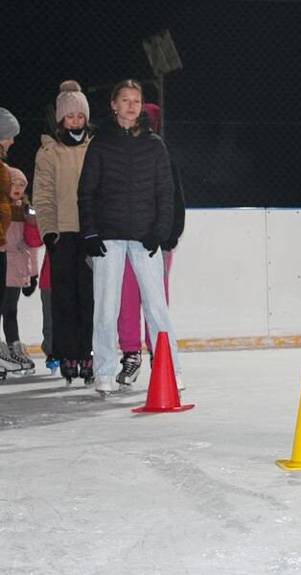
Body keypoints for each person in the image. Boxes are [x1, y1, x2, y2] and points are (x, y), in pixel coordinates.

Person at [77, 79, 181, 396]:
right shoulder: (101, 143)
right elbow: (86, 192)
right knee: (106, 307)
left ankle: (170, 370)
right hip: (108, 237)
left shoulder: (154, 145)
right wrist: (91, 232)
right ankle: (104, 372)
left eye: (136, 100)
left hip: (145, 237)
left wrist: (159, 233)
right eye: (125, 99)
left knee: (156, 307)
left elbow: (166, 193)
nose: (131, 105)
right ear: (113, 104)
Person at [115, 102, 186, 384]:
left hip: (156, 240)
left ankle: (162, 354)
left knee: (156, 302)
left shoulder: (162, 153)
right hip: (125, 238)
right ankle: (131, 353)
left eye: (146, 121)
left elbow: (174, 198)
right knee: (127, 298)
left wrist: (170, 235)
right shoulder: (120, 153)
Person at [33, 81, 95, 384]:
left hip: (91, 233)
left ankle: (87, 354)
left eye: (80, 116)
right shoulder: (49, 152)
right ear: (61, 119)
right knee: (64, 300)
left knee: (90, 297)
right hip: (62, 234)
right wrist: (49, 232)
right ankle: (68, 353)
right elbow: (42, 196)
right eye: (69, 116)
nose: (75, 121)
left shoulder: (95, 147)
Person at [0, 167, 39, 375]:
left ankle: (14, 346)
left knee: (11, 311)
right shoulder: (3, 207)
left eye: (22, 185)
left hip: (16, 269)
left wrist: (33, 274)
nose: (17, 188)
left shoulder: (25, 211)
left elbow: (32, 244)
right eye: (14, 183)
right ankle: (3, 352)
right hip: (3, 265)